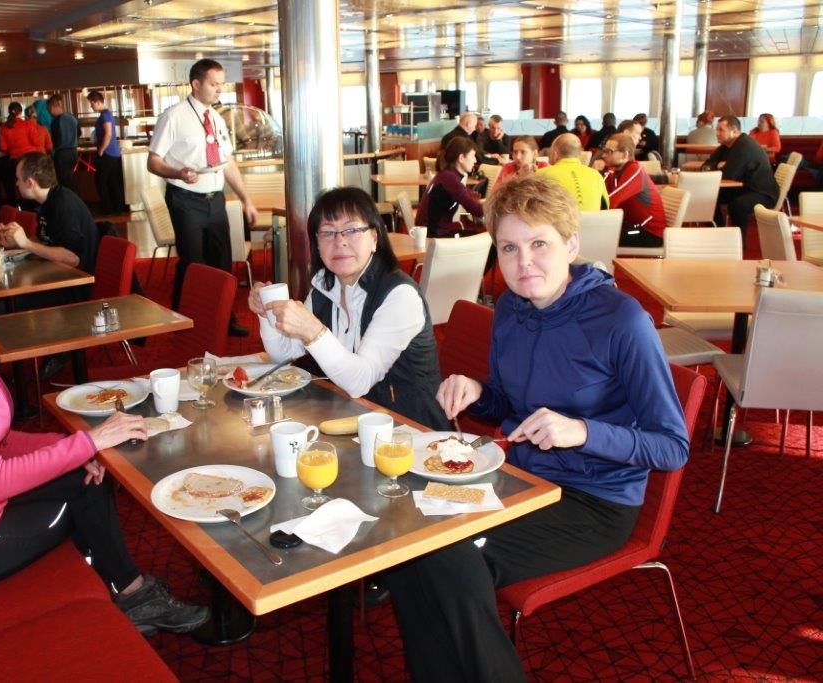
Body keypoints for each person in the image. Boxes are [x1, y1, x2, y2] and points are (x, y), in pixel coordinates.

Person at [387, 174, 689, 683]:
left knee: (451, 557)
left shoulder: (622, 320)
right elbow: (510, 405)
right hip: (523, 481)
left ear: (571, 244)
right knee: (409, 537)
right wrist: (478, 390)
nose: (523, 261)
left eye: (539, 244)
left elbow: (673, 447)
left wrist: (582, 432)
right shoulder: (510, 307)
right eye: (509, 247)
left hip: (595, 502)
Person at [0, 218, 209, 636]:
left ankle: (121, 585)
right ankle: (130, 595)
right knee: (85, 497)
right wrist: (87, 442)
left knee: (86, 476)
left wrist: (72, 446)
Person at [249, 187, 448, 430]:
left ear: (374, 238)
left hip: (409, 429)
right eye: (327, 232)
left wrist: (313, 331)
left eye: (352, 230)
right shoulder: (325, 286)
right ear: (317, 244)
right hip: (353, 418)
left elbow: (360, 381)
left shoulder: (400, 295)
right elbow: (283, 355)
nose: (340, 241)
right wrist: (266, 313)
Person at [147, 58, 260, 336]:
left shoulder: (217, 118)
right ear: (196, 84)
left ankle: (224, 319)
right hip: (186, 199)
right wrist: (177, 172)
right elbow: (153, 162)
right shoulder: (173, 116)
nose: (219, 89)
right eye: (213, 84)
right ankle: (187, 321)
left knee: (222, 261)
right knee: (193, 264)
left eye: (221, 84)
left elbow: (227, 163)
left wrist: (246, 199)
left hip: (215, 199)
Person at [0, 152, 98, 278]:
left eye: (18, 179)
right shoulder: (46, 201)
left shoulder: (64, 204)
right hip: (56, 271)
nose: (16, 183)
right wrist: (16, 241)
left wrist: (26, 243)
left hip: (76, 279)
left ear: (30, 183)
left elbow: (73, 259)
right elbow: (44, 240)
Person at [701, 115, 778, 235]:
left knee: (738, 205)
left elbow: (728, 174)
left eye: (721, 130)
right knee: (706, 197)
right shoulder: (726, 145)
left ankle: (739, 240)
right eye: (717, 129)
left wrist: (718, 166)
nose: (717, 133)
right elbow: (706, 166)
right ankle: (719, 234)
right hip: (744, 188)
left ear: (735, 131)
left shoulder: (744, 146)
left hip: (763, 193)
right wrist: (718, 165)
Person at [602, 133, 666, 247]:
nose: (603, 155)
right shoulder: (614, 170)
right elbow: (600, 193)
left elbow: (610, 201)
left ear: (625, 155)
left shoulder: (634, 170)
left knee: (600, 234)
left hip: (649, 233)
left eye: (609, 151)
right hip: (630, 225)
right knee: (595, 231)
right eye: (604, 150)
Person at [414, 137, 485, 237]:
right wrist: (494, 204)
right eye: (473, 156)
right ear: (461, 158)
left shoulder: (448, 175)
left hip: (435, 234)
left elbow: (469, 195)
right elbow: (477, 210)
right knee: (486, 240)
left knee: (481, 238)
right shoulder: (449, 178)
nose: (475, 160)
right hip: (434, 238)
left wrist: (483, 201)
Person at [536, 134, 609, 211]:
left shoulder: (541, 174)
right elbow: (606, 208)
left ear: (555, 154)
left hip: (559, 219)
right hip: (592, 219)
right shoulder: (596, 175)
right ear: (579, 155)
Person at [87, 90, 127, 215]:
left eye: (91, 104)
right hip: (113, 153)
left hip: (108, 153)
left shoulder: (105, 115)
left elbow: (108, 134)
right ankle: (118, 208)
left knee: (101, 181)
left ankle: (107, 209)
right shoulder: (107, 114)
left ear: (97, 102)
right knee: (112, 181)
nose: (91, 106)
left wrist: (101, 150)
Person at [0, 102, 45, 206]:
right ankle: (34, 210)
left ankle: (21, 211)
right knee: (33, 186)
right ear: (21, 112)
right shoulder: (28, 124)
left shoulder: (3, 127)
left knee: (18, 189)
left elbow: (3, 147)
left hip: (14, 162)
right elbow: (37, 142)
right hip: (30, 161)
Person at [48, 95, 79, 191]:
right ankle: (74, 197)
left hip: (62, 154)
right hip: (74, 152)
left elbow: (56, 140)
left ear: (52, 107)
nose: (49, 112)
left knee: (63, 182)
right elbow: (79, 133)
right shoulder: (72, 117)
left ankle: (69, 198)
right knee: (70, 179)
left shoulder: (56, 121)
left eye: (48, 109)